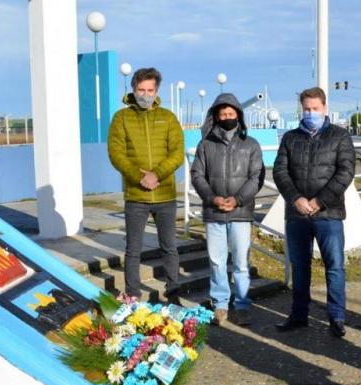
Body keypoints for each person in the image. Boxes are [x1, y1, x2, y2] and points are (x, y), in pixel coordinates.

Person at [272, 86, 355, 338]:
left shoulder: (340, 136)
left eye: (315, 108)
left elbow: (345, 172)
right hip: (297, 215)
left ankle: (336, 318)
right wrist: (295, 199)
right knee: (300, 266)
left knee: (335, 267)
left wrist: (319, 201)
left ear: (325, 108)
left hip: (328, 215)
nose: (310, 113)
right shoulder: (290, 138)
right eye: (306, 109)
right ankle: (299, 315)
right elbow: (280, 172)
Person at [108, 67, 184, 304]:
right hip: (136, 196)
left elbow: (177, 153)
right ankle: (132, 294)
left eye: (150, 90)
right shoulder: (121, 118)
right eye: (141, 90)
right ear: (133, 89)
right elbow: (116, 153)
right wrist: (138, 176)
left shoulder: (169, 117)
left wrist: (157, 174)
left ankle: (173, 293)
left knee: (169, 247)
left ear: (157, 90)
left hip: (165, 195)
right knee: (133, 249)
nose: (145, 94)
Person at [191, 93, 264, 327]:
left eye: (231, 114)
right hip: (214, 213)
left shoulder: (251, 145)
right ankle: (220, 304)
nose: (227, 118)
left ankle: (242, 304)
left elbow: (257, 177)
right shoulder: (205, 145)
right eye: (222, 114)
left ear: (238, 116)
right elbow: (197, 175)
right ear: (215, 116)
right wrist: (213, 199)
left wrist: (238, 199)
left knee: (241, 262)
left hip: (241, 213)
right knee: (216, 261)